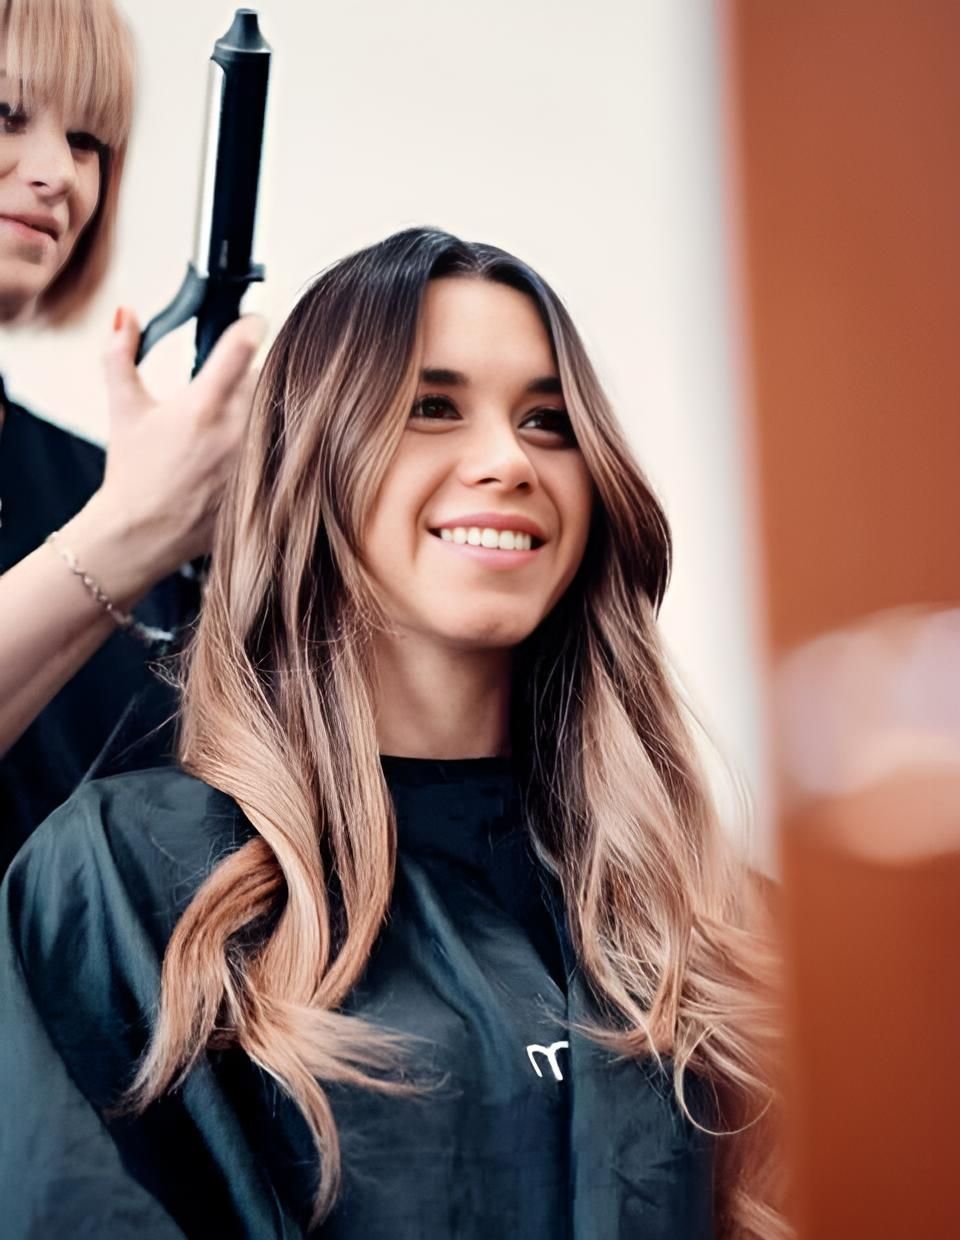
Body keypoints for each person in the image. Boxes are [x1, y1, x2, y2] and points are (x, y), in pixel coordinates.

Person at [0, 227, 786, 1239]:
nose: (507, 461)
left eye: (548, 421)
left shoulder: (716, 921)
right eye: (432, 407)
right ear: (314, 463)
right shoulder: (128, 881)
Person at [0, 0, 263, 873]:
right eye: (4, 113)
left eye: (87, 141)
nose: (58, 176)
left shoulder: (95, 484)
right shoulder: (129, 513)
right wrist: (131, 531)